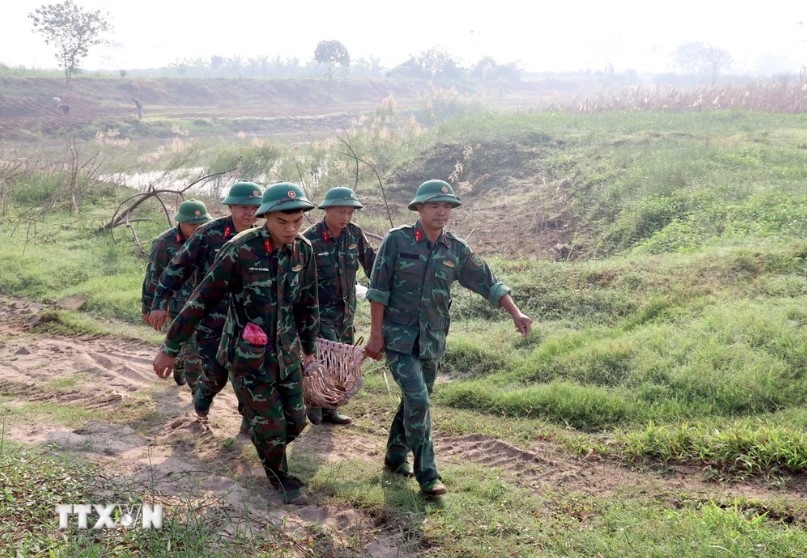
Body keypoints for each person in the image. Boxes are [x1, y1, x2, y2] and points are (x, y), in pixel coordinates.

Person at [152, 181, 319, 505]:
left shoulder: (304, 250)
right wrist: (170, 348)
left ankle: (261, 433)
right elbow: (200, 300)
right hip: (248, 356)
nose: (291, 229)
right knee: (272, 427)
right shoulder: (241, 249)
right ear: (266, 217)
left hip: (286, 354)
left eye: (297, 221)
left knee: (297, 421)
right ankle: (281, 479)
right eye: (283, 222)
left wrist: (310, 350)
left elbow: (308, 304)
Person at [364, 179, 533, 497]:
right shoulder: (396, 241)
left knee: (414, 401)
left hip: (432, 340)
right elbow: (378, 290)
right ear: (419, 208)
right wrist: (375, 334)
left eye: (447, 206)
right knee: (418, 400)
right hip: (398, 337)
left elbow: (488, 282)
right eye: (434, 205)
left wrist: (516, 312)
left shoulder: (456, 249)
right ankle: (428, 475)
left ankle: (395, 456)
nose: (441, 212)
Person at [148, 181, 263, 434]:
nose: (250, 213)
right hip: (211, 319)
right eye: (243, 207)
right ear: (231, 207)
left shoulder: (263, 237)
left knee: (248, 372)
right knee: (214, 371)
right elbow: (177, 268)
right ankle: (204, 394)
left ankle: (249, 420)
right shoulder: (209, 233)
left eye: (255, 207)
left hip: (247, 321)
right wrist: (159, 303)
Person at [302, 186, 376, 426]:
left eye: (350, 213)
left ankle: (330, 409)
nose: (346, 217)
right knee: (325, 359)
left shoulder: (354, 234)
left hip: (346, 313)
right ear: (327, 210)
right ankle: (313, 402)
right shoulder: (309, 239)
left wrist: (386, 287)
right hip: (320, 313)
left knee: (343, 362)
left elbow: (372, 264)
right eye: (341, 212)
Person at [141, 199, 212, 392]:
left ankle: (180, 360)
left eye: (201, 223)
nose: (197, 228)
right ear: (180, 222)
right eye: (191, 224)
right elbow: (153, 276)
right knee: (193, 350)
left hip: (206, 304)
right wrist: (150, 307)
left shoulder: (211, 238)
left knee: (200, 346)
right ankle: (198, 394)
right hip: (178, 305)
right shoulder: (164, 243)